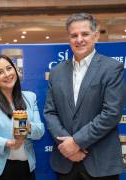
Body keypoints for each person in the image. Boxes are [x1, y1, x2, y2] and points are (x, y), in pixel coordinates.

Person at [44, 13, 126, 180]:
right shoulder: (56, 72)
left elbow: (111, 114)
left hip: (101, 163)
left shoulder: (112, 68)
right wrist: (66, 146)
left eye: (85, 34)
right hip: (65, 161)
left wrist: (76, 143)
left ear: (96, 36)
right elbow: (50, 113)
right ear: (69, 39)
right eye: (74, 35)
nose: (79, 39)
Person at [0, 54, 44, 180]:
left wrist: (26, 127)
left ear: (15, 69)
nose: (7, 74)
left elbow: (39, 131)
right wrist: (7, 143)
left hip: (24, 168)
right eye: (0, 72)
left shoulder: (30, 97)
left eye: (9, 68)